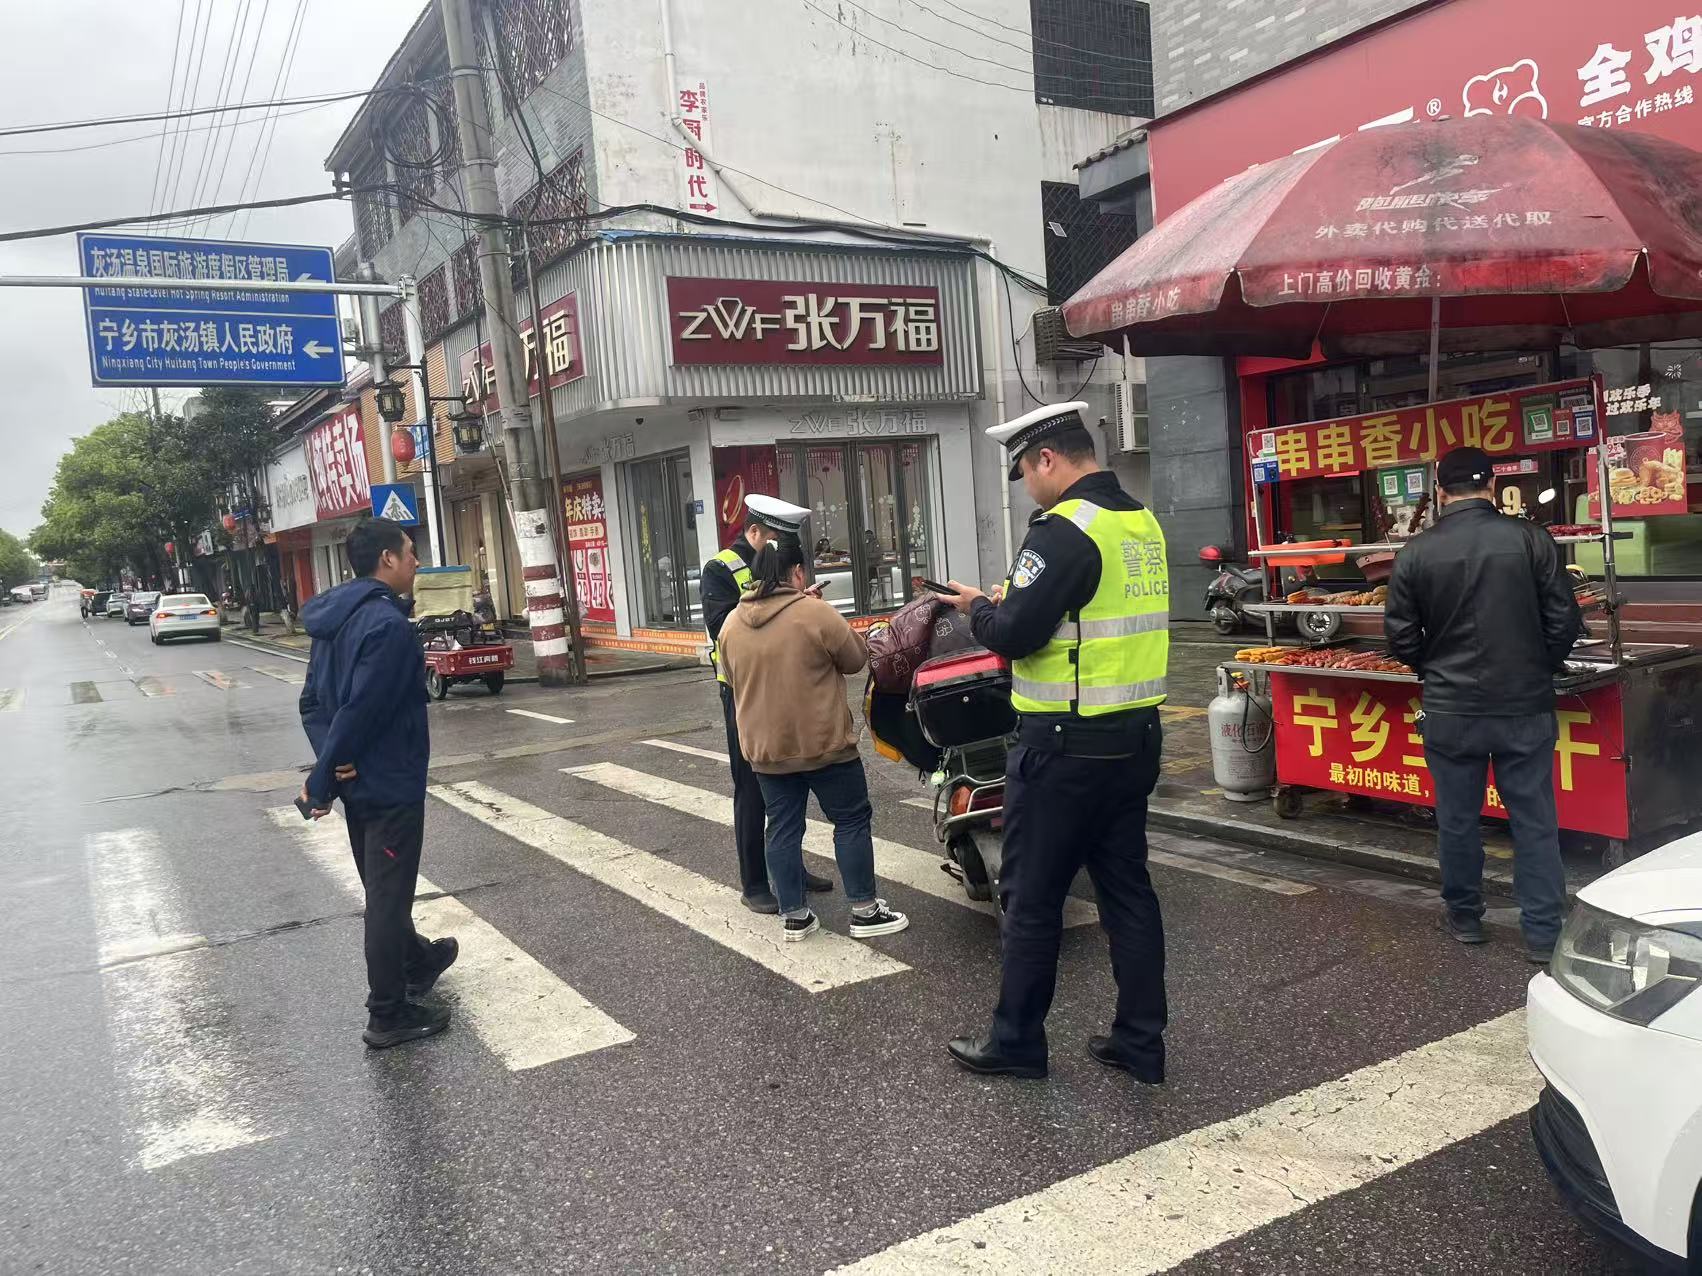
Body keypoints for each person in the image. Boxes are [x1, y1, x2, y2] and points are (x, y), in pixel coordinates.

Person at [936, 401, 1169, 1083]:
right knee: (1128, 891)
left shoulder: (1063, 529)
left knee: (1031, 897)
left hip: (1064, 746)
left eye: (1026, 474)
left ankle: (1016, 1042)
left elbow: (1013, 634)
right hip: (1135, 738)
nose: (1027, 489)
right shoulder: (1140, 520)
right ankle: (1141, 1042)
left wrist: (978, 606)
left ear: (1047, 459)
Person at [1384, 446, 1583, 964]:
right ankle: (1543, 933)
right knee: (1534, 821)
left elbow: (1400, 637)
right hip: (1524, 705)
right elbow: (1564, 621)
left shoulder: (1415, 552)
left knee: (1457, 819)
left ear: (1440, 491)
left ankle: (1466, 917)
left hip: (1450, 709)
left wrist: (1433, 668)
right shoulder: (1532, 540)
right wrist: (1538, 667)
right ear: (1492, 487)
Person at [298, 518, 459, 1049]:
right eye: (410, 551)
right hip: (390, 782)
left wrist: (333, 763)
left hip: (359, 781)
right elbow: (361, 710)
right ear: (387, 558)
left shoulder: (336, 619)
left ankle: (418, 959)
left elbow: (314, 705)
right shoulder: (386, 626)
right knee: (388, 898)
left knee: (381, 885)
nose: (417, 561)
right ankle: (388, 1013)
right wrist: (324, 776)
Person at [717, 533, 910, 943]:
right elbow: (856, 659)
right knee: (850, 820)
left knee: (782, 828)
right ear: (798, 572)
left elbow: (731, 678)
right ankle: (865, 911)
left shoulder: (731, 624)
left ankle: (795, 915)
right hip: (824, 746)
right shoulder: (815, 613)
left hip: (767, 752)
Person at [699, 494, 833, 913]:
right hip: (743, 692)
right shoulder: (720, 568)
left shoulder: (779, 565)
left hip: (786, 684)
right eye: (775, 539)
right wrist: (782, 607)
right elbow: (721, 626)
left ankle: (791, 870)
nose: (780, 550)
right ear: (754, 531)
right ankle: (755, 882)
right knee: (752, 787)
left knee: (790, 780)